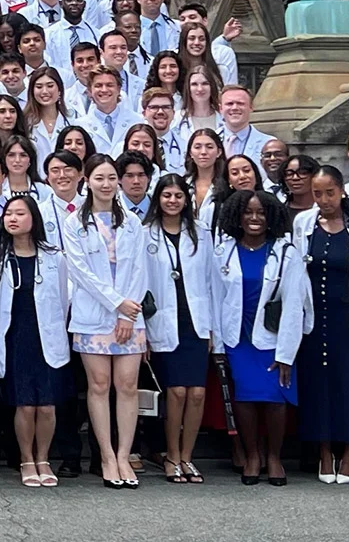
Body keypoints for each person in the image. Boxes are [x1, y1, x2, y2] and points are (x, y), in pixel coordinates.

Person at [212, 187, 306, 486]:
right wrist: (216, 342)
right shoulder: (223, 250)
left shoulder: (286, 252)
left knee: (274, 398)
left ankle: (274, 457)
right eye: (248, 212)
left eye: (261, 213)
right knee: (245, 398)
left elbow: (294, 303)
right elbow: (215, 296)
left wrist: (286, 353)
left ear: (271, 217)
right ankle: (253, 455)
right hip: (237, 338)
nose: (254, 218)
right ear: (237, 217)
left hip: (272, 338)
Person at [292, 164, 349, 484]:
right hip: (315, 318)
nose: (324, 199)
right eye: (317, 193)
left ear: (342, 190)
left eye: (330, 192)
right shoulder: (304, 223)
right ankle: (324, 451)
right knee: (319, 384)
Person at [67, 155, 146, 488]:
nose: (106, 184)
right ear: (87, 180)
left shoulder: (131, 221)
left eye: (112, 178)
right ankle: (106, 456)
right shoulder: (75, 223)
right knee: (98, 386)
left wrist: (128, 311)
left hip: (130, 315)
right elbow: (80, 272)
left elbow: (140, 269)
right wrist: (116, 304)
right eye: (99, 178)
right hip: (93, 316)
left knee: (127, 386)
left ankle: (125, 455)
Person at [0, 195, 70, 488]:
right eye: (8, 214)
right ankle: (26, 459)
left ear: (33, 219)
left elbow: (63, 300)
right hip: (15, 337)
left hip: (46, 334)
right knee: (24, 404)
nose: (12, 218)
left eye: (19, 213)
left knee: (47, 405)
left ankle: (44, 458)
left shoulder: (54, 256)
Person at [140, 173, 211, 484]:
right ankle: (170, 456)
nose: (172, 201)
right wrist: (141, 330)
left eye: (178, 196)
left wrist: (214, 333)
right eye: (166, 195)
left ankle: (187, 456)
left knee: (196, 393)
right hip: (163, 321)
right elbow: (139, 284)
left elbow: (212, 284)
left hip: (196, 321)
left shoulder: (202, 233)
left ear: (187, 199)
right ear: (158, 199)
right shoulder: (145, 234)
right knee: (176, 392)